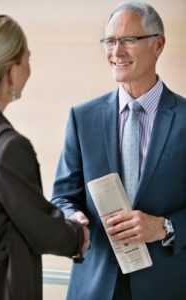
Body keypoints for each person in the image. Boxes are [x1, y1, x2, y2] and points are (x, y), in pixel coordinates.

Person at [51, 1, 186, 300]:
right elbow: (62, 196)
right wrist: (73, 217)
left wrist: (165, 227)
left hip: (167, 287)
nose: (117, 51)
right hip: (94, 286)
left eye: (128, 39)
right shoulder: (82, 117)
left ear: (158, 44)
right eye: (110, 41)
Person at [0, 14, 90, 300]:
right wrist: (77, 233)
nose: (29, 69)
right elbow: (42, 228)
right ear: (11, 71)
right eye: (27, 59)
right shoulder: (7, 147)